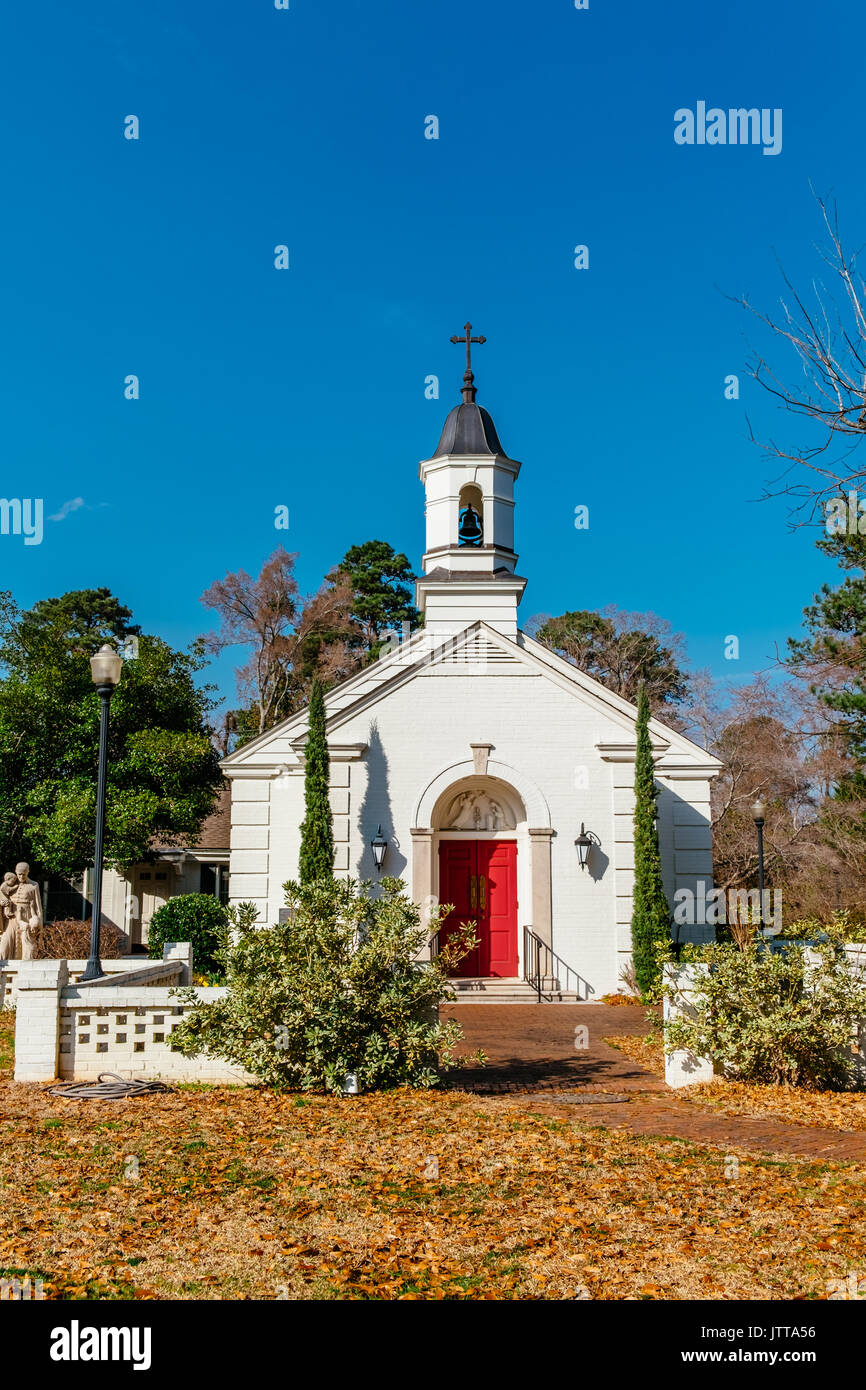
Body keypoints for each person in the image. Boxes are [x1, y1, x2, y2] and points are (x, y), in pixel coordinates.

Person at [12, 863, 42, 960]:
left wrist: (39, 922)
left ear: (28, 872)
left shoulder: (33, 885)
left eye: (24, 874)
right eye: (19, 874)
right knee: (7, 944)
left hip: (27, 915)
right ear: (16, 872)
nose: (21, 876)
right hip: (11, 917)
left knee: (27, 945)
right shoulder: (10, 884)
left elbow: (38, 906)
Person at [0, 872, 19, 958]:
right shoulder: (4, 886)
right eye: (13, 881)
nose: (14, 883)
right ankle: (7, 912)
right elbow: (8, 890)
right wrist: (15, 887)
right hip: (4, 901)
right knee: (8, 904)